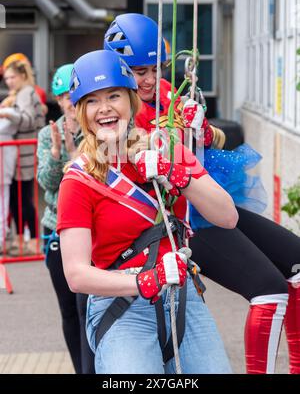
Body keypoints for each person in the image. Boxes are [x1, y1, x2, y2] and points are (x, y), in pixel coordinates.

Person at [104, 12, 300, 374]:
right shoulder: (118, 109)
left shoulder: (166, 91)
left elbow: (212, 140)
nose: (149, 79)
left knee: (297, 263)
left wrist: (199, 127)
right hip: (178, 221)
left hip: (207, 201)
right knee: (269, 290)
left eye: (155, 69)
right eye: (138, 71)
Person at [56, 49, 237, 374]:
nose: (106, 108)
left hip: (183, 301)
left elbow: (227, 216)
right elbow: (76, 275)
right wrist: (144, 281)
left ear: (131, 100)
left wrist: (176, 173)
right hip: (121, 308)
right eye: (93, 101)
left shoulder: (164, 147)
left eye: (114, 95)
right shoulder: (78, 180)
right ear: (82, 112)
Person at [37, 64, 94, 374]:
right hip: (56, 227)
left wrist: (75, 157)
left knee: (90, 306)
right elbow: (45, 182)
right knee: (70, 310)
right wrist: (60, 154)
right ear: (58, 102)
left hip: (91, 229)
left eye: (73, 94)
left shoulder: (96, 128)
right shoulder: (49, 133)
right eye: (62, 97)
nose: (69, 102)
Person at [1, 58, 45, 255]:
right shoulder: (20, 92)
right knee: (16, 199)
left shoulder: (27, 92)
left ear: (23, 75)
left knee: (24, 198)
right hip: (20, 153)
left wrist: (8, 114)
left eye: (12, 77)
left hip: (25, 153)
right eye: (6, 77)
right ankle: (22, 241)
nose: (9, 81)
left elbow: (27, 121)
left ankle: (32, 242)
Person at [0, 93, 18, 254]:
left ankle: (2, 238)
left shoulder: (9, 119)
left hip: (4, 168)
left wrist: (5, 111)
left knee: (3, 204)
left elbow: (14, 116)